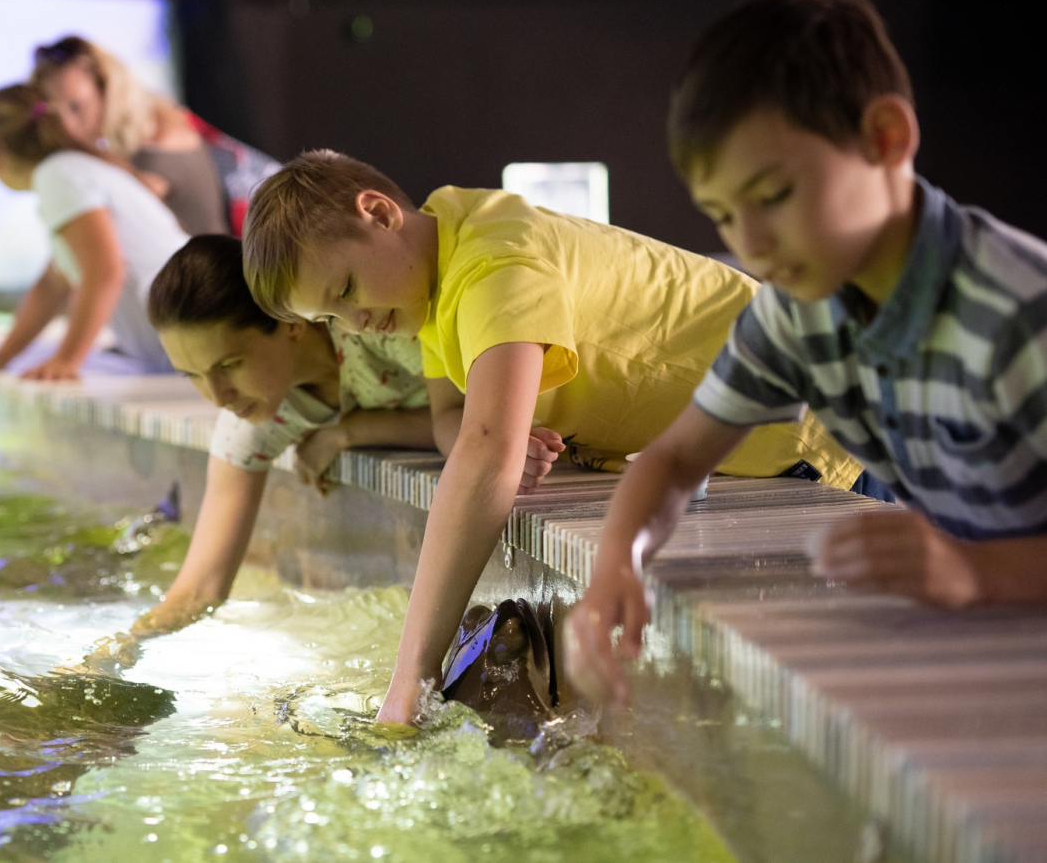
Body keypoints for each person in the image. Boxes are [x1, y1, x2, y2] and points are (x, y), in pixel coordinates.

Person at [239, 150, 863, 724]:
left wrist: (411, 679)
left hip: (815, 428)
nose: (357, 323)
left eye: (345, 289)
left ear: (378, 213)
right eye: (331, 317)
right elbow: (451, 420)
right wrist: (504, 432)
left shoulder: (493, 259)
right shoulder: (434, 269)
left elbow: (483, 456)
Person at [563, 0, 1047, 710]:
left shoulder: (1016, 313)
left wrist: (978, 573)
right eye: (723, 215)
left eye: (774, 195)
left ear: (885, 138)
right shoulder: (802, 312)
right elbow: (675, 458)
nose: (750, 244)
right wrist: (615, 568)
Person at [95, 234, 433, 648]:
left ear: (290, 322)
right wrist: (112, 656)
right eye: (194, 375)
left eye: (230, 365)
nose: (219, 396)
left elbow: (489, 419)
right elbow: (200, 587)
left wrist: (352, 431)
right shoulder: (254, 422)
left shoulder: (374, 323)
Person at [0, 83, 189, 381]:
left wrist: (66, 361)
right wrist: (4, 355)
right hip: (176, 340)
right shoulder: (72, 169)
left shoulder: (58, 175)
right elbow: (51, 286)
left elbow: (105, 271)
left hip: (187, 329)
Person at [32, 36, 234, 237]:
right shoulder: (160, 118)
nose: (67, 125)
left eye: (76, 107)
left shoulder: (150, 157)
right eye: (56, 114)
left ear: (107, 89)